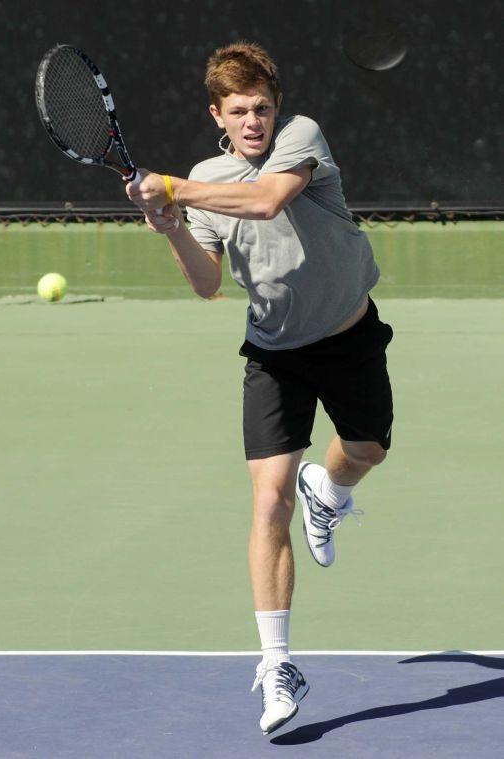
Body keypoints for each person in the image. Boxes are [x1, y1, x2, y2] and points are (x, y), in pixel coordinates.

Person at [126, 41, 393, 736]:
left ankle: (328, 490)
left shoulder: (299, 140)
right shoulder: (206, 179)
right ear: (217, 113)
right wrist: (169, 227)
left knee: (366, 450)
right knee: (266, 498)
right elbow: (209, 283)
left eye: (262, 108)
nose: (253, 121)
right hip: (274, 353)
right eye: (239, 110)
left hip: (347, 336)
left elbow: (269, 200)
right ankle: (277, 665)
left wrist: (176, 190)